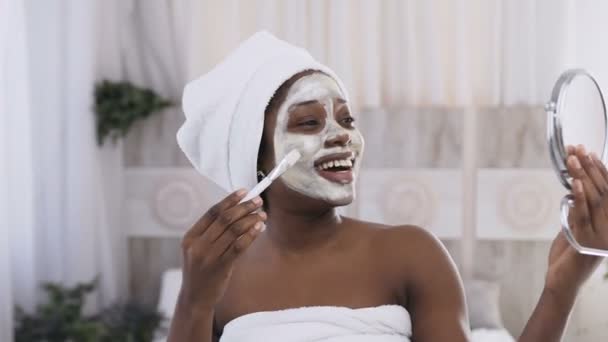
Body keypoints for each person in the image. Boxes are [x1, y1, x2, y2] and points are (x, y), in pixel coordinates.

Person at [168, 32, 608, 341]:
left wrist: (560, 289)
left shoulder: (410, 253)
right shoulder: (216, 278)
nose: (341, 134)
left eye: (346, 118)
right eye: (308, 122)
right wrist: (193, 300)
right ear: (255, 155)